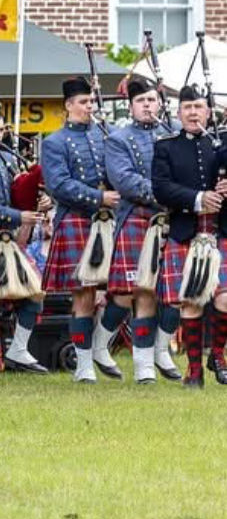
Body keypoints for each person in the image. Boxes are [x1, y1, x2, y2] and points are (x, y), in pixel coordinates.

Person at [40, 76, 120, 383]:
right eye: (84, 102)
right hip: (76, 219)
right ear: (69, 105)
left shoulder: (107, 135)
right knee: (84, 294)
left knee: (124, 291)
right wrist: (99, 197)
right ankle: (84, 364)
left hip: (110, 220)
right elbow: (58, 185)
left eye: (91, 101)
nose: (89, 107)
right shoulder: (54, 142)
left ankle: (100, 345)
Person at [104, 78, 181, 383]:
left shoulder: (173, 133)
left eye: (151, 99)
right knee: (143, 292)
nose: (147, 105)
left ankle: (161, 350)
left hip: (175, 220)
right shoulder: (118, 139)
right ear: (131, 106)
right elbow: (125, 182)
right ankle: (143, 364)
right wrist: (170, 193)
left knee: (177, 293)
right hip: (138, 218)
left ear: (160, 102)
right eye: (141, 101)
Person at [151, 85, 227, 388]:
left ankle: (217, 355)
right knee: (192, 303)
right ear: (178, 112)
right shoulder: (166, 146)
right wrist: (197, 198)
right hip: (186, 233)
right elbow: (160, 187)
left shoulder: (221, 145)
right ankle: (194, 372)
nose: (193, 113)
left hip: (220, 231)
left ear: (207, 112)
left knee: (225, 300)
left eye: (198, 107)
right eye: (187, 108)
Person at [0, 116, 49, 374]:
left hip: (8, 238)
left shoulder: (7, 160)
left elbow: (18, 194)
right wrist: (19, 216)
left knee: (34, 292)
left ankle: (17, 350)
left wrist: (35, 204)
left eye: (2, 128)